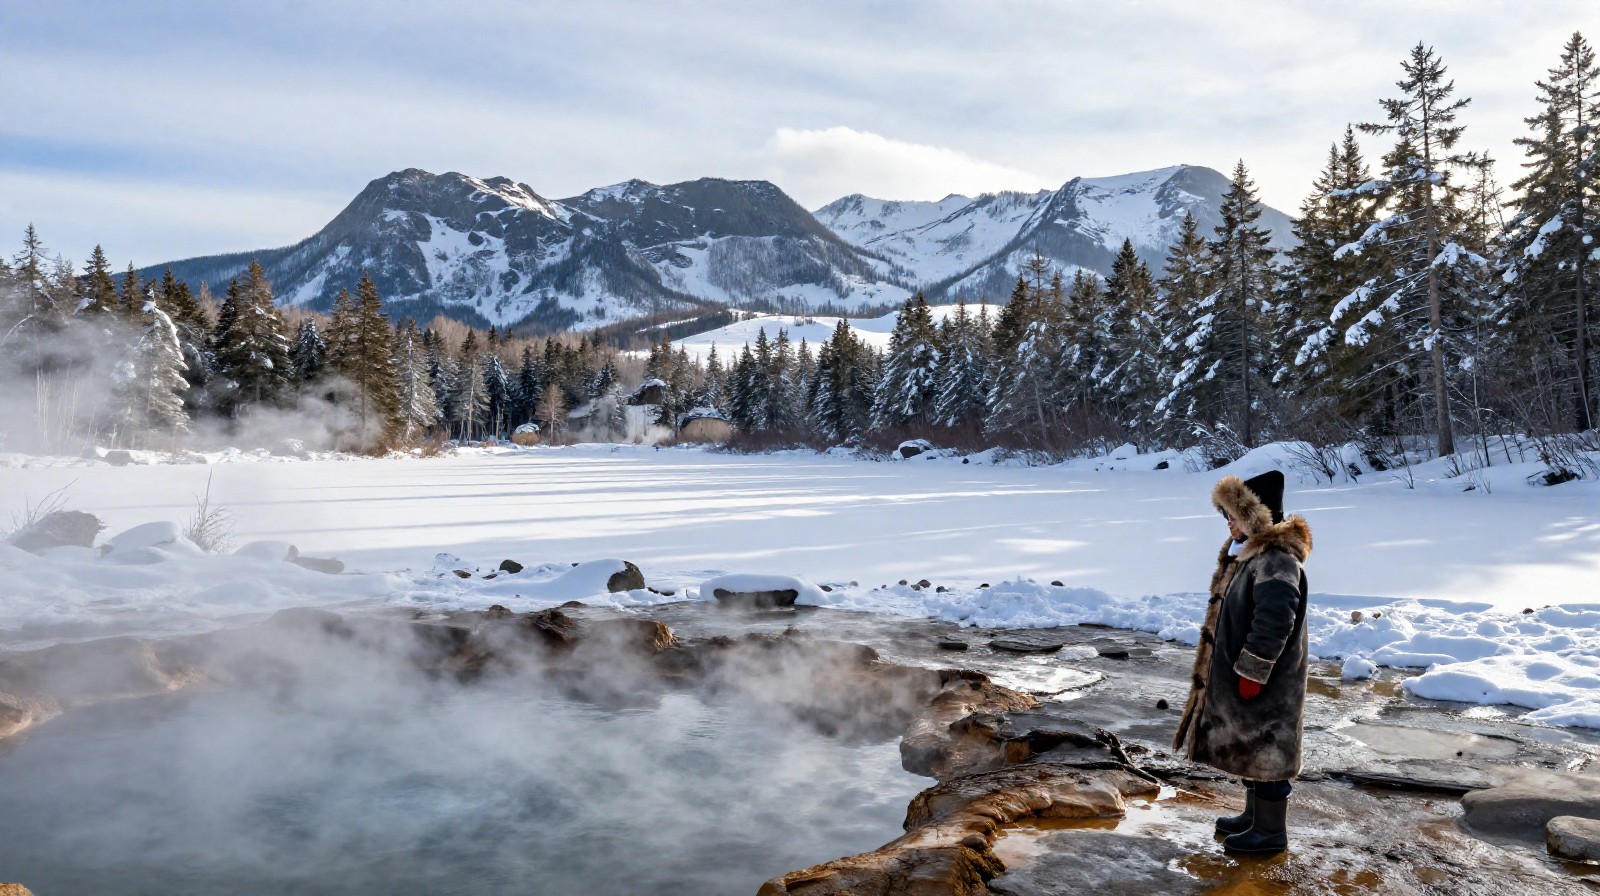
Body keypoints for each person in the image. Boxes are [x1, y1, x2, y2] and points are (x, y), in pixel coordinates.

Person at [1173, 470, 1312, 854]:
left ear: (1257, 517)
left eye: (1233, 516)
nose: (1229, 524)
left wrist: (1253, 671)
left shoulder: (1276, 561)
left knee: (1267, 747)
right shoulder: (1254, 557)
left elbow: (1273, 622)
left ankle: (1270, 832)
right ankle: (1254, 817)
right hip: (1251, 677)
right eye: (1227, 518)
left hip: (1269, 682)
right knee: (1251, 745)